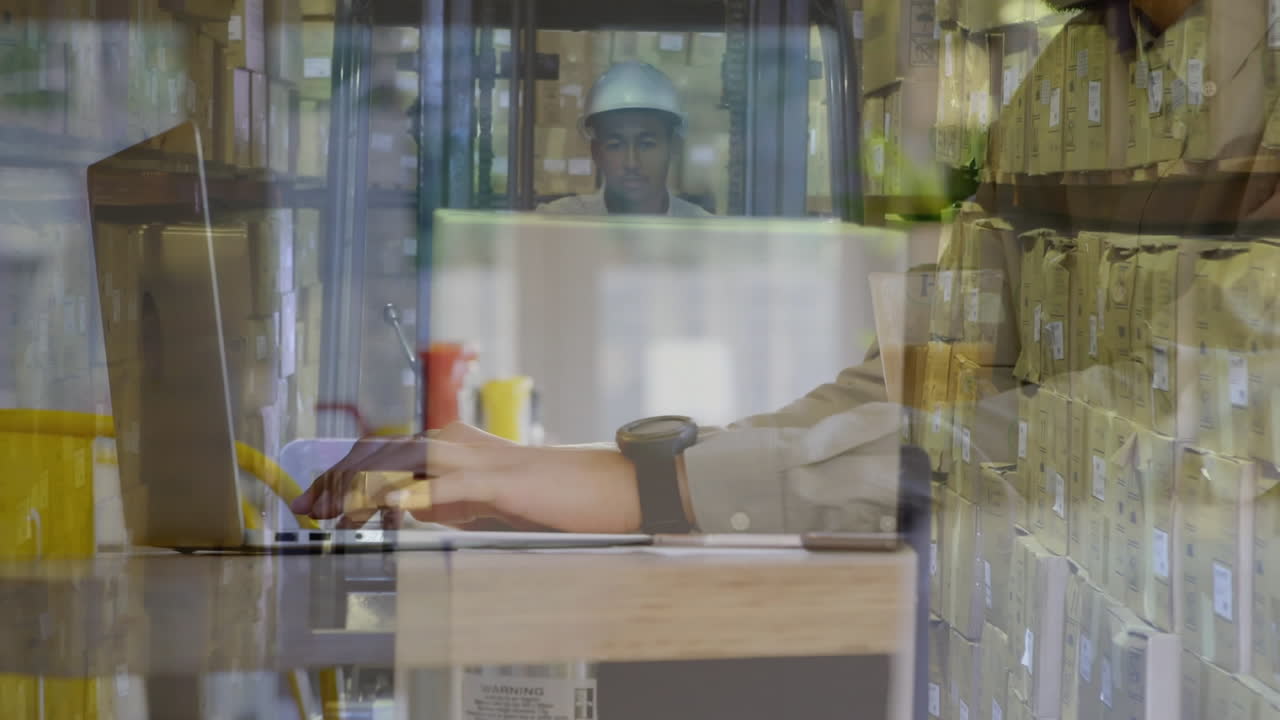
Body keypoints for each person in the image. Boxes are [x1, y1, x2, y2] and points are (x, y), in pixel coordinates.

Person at [293, 0, 1274, 536]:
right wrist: (592, 474)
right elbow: (933, 372)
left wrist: (660, 491)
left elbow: (1165, 437)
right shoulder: (1069, 78)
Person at [538, 61, 712, 217]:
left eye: (646, 144)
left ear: (674, 146)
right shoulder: (561, 222)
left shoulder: (702, 231)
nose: (631, 163)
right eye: (615, 145)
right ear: (596, 152)